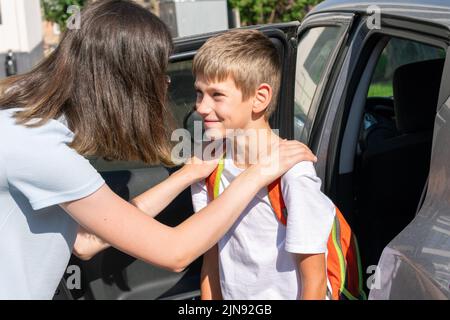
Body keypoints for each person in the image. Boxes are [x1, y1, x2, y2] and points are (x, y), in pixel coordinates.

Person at [0, 0, 315, 300]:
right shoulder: (42, 150)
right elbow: (175, 252)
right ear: (125, 83)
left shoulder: (26, 129)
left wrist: (186, 175)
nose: (165, 84)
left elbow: (84, 241)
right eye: (157, 74)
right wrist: (258, 173)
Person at [191, 29, 335, 300]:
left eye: (216, 95)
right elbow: (210, 265)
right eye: (199, 93)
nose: (201, 107)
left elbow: (314, 283)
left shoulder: (293, 173)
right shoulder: (209, 168)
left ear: (259, 98)